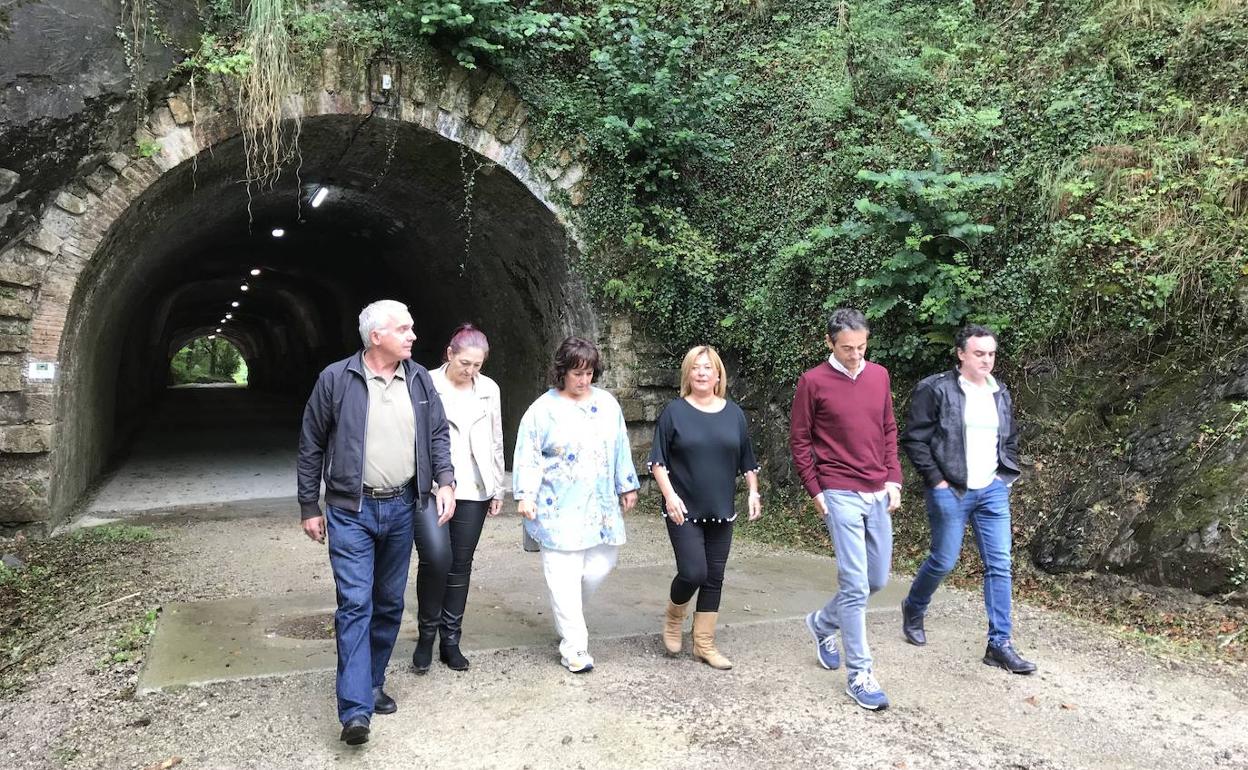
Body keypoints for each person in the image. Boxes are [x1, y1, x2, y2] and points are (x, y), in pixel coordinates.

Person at [297, 299, 456, 746]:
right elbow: (311, 444)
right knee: (354, 603)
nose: (413, 336)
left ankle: (372, 682)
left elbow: (438, 434)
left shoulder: (420, 378)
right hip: (351, 509)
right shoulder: (336, 379)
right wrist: (310, 505)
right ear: (376, 337)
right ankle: (354, 711)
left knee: (388, 602)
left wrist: (444, 480)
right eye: (403, 329)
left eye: (411, 328)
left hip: (403, 506)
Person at [900, 324, 1036, 674]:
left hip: (991, 491)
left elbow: (1009, 438)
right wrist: (937, 481)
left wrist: (1004, 477)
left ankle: (999, 644)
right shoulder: (935, 389)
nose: (986, 360)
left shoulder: (999, 392)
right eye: (979, 353)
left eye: (991, 354)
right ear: (961, 354)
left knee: (1000, 564)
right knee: (944, 560)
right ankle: (914, 606)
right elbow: (915, 439)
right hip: (951, 489)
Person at [789, 308, 901, 711]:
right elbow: (800, 441)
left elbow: (888, 428)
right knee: (855, 585)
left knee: (877, 580)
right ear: (830, 344)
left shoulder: (879, 376)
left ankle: (820, 624)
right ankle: (860, 674)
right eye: (847, 348)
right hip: (838, 491)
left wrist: (894, 478)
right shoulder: (813, 382)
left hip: (877, 490)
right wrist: (815, 490)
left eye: (862, 347)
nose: (856, 355)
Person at [513, 336, 639, 673]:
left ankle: (567, 615)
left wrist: (626, 485)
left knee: (601, 564)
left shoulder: (608, 405)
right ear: (562, 372)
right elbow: (527, 455)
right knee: (563, 575)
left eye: (589, 373)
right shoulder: (542, 410)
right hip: (557, 506)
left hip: (599, 504)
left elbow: (620, 447)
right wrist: (525, 495)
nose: (583, 380)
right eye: (576, 373)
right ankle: (574, 648)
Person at [649, 345, 761, 670]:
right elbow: (658, 461)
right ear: (688, 374)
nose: (701, 373)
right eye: (695, 367)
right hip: (682, 508)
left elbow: (747, 461)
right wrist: (669, 496)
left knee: (714, 576)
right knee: (693, 572)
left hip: (721, 508)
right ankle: (674, 615)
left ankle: (704, 644)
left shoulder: (734, 414)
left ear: (717, 375)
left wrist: (753, 492)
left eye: (707, 368)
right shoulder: (674, 412)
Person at [426, 323, 505, 672]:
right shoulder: (425, 382)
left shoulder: (489, 389)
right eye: (465, 364)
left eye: (478, 365)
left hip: (474, 486)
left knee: (460, 565)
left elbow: (496, 439)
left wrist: (497, 486)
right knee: (435, 559)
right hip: (432, 487)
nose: (471, 371)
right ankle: (426, 634)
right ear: (450, 354)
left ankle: (450, 640)